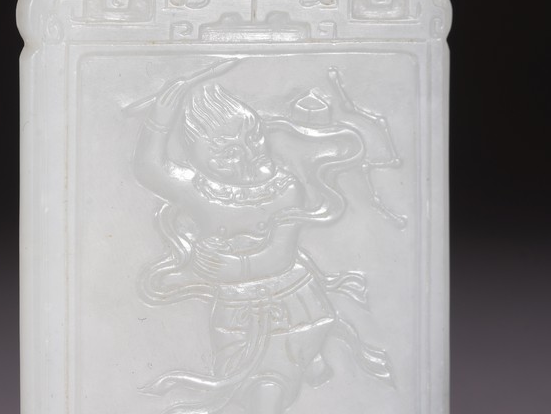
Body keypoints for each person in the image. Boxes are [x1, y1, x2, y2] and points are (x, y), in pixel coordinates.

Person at [132, 65, 397, 414]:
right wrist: (159, 121)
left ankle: (307, 358)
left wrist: (234, 266)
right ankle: (305, 363)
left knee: (269, 384)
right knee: (237, 375)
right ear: (195, 152)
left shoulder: (282, 189)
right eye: (226, 150)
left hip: (289, 302)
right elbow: (150, 170)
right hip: (236, 310)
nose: (245, 153)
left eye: (253, 137)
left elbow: (280, 256)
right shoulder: (199, 191)